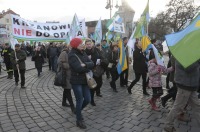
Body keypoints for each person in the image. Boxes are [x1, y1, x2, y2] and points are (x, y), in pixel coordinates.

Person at [164, 60, 200, 132]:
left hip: (191, 85)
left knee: (197, 106)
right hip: (185, 85)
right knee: (178, 107)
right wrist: (198, 61)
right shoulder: (184, 55)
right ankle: (168, 125)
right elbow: (188, 68)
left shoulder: (191, 54)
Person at [68, 38, 94, 129]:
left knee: (87, 99)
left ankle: (78, 111)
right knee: (79, 100)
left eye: (82, 43)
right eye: (80, 44)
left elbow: (92, 63)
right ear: (75, 45)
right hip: (76, 81)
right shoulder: (71, 55)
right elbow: (78, 68)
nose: (82, 45)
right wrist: (87, 66)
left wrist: (85, 65)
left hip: (84, 80)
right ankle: (79, 120)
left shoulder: (83, 52)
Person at [85, 39, 105, 106]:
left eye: (89, 44)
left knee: (99, 84)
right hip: (90, 71)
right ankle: (92, 100)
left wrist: (101, 60)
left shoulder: (96, 50)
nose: (89, 45)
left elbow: (101, 56)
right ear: (85, 45)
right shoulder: (84, 52)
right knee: (92, 86)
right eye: (87, 44)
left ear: (92, 44)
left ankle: (94, 92)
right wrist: (88, 59)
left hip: (98, 69)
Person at [57, 45, 75, 114]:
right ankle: (72, 106)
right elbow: (59, 62)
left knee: (66, 89)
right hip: (65, 74)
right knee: (68, 89)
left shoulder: (70, 53)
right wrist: (69, 66)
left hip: (69, 74)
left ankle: (64, 102)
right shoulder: (64, 53)